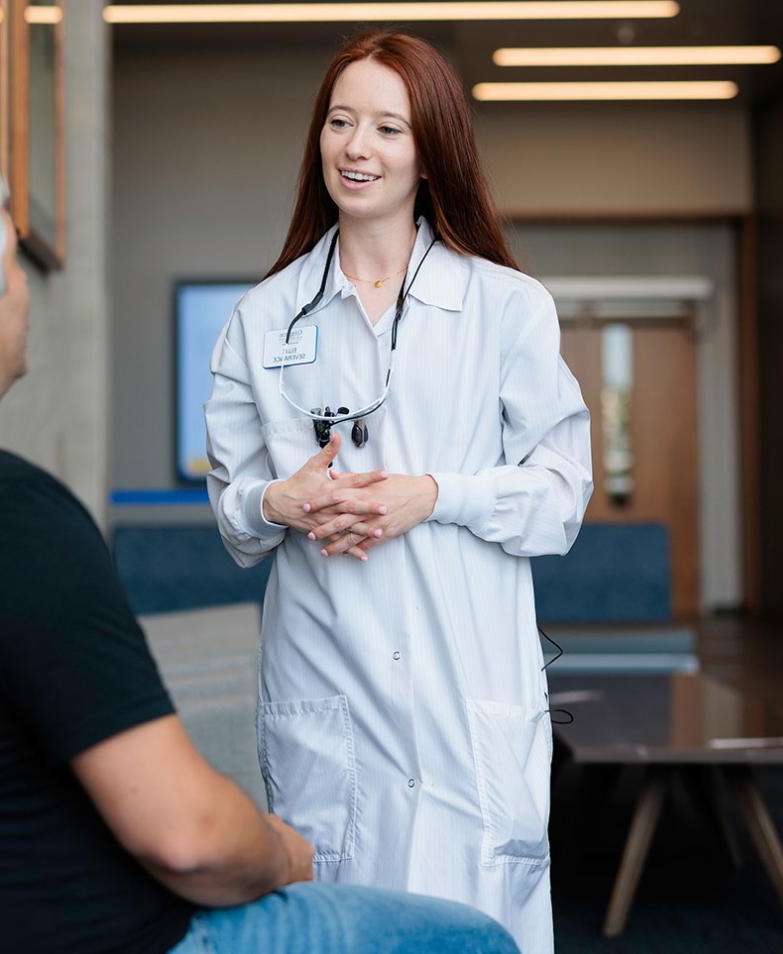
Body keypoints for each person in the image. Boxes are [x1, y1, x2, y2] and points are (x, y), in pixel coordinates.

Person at [0, 131, 517, 954]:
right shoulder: (5, 517)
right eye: (12, 260)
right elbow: (190, 839)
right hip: (114, 941)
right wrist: (285, 851)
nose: (25, 289)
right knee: (475, 940)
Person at [204, 30, 593, 954]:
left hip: (469, 680)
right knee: (343, 919)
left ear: (431, 154)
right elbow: (231, 512)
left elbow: (562, 496)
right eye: (341, 122)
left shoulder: (505, 305)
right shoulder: (263, 317)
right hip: (325, 673)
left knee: (476, 922)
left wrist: (434, 494)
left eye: (387, 127)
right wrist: (277, 503)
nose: (357, 147)